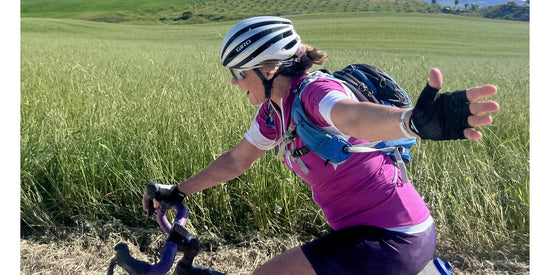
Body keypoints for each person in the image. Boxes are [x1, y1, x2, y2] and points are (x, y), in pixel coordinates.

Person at [143, 16, 499, 275]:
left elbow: (354, 116)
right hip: (373, 234)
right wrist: (178, 191)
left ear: (267, 70)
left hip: (391, 238)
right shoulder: (274, 113)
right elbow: (237, 161)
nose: (235, 83)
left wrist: (411, 122)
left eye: (239, 72)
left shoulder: (314, 92)